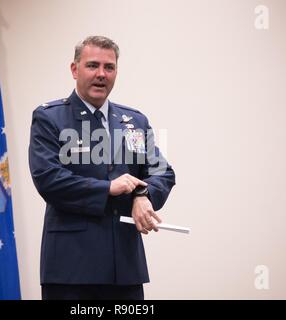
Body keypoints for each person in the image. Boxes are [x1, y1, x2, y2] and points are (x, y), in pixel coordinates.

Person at [28, 36, 176, 300]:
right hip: (70, 269)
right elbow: (49, 179)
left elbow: (162, 172)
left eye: (109, 67)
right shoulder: (49, 118)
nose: (101, 74)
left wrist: (143, 196)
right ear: (75, 70)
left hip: (125, 270)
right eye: (92, 65)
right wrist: (108, 188)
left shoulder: (135, 121)